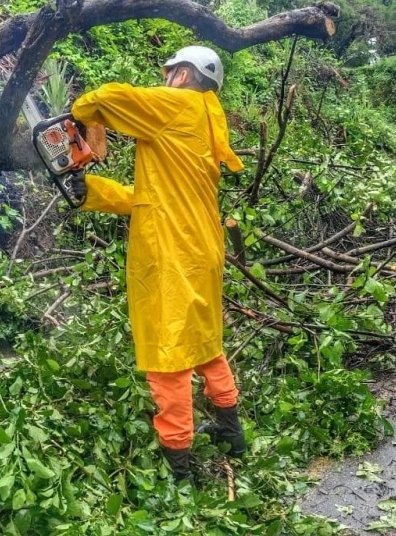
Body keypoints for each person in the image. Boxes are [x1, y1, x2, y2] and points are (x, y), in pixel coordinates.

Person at [67, 46, 247, 483]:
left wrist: (81, 112)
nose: (163, 79)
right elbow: (150, 200)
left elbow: (108, 98)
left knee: (169, 357)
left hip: (174, 255)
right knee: (205, 344)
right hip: (201, 247)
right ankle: (231, 433)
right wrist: (92, 191)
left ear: (182, 76)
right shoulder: (203, 119)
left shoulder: (176, 105)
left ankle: (178, 465)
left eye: (168, 73)